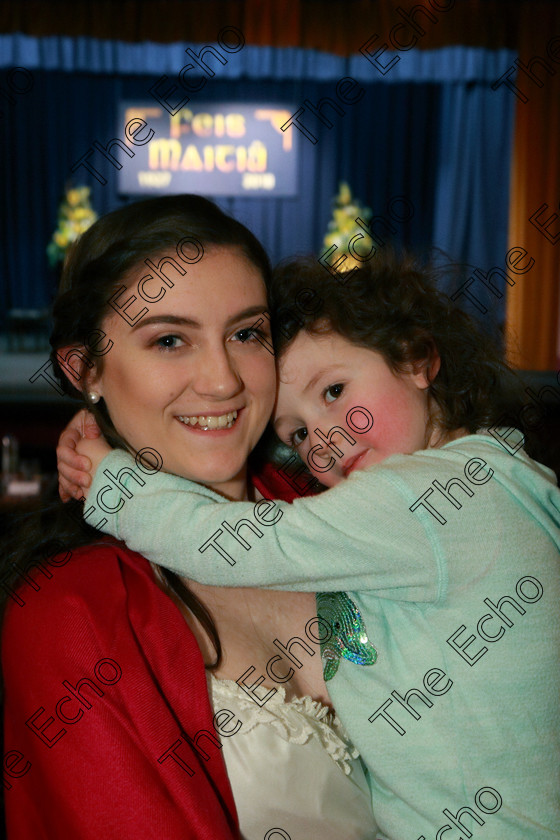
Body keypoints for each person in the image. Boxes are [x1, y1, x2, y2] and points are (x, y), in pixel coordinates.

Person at [65, 250, 560, 839]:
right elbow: (277, 446)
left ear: (416, 359)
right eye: (298, 433)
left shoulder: (426, 499)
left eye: (334, 391)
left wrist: (112, 476)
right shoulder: (501, 475)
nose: (323, 439)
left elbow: (231, 544)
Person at [2, 197, 377, 839]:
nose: (222, 380)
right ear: (83, 368)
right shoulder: (66, 612)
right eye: (170, 340)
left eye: (246, 333)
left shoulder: (343, 511)